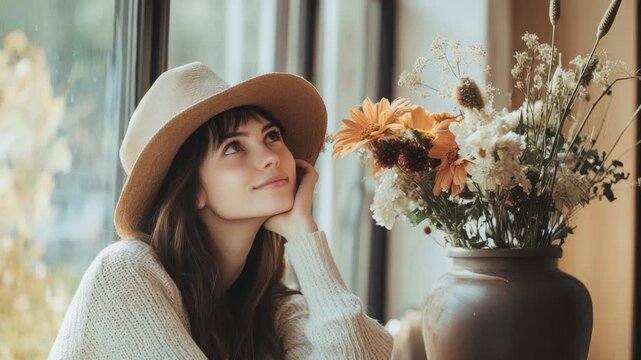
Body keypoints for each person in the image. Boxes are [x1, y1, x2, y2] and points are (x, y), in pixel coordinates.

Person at [48, 62, 393, 359]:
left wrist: (305, 237)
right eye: (233, 147)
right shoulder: (125, 274)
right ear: (192, 188)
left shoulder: (268, 307)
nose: (271, 155)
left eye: (271, 135)